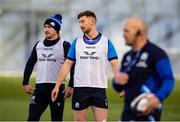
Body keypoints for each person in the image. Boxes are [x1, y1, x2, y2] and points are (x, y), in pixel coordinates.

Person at [51, 10, 121, 121]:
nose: (81, 25)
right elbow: (67, 64)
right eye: (79, 22)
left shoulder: (106, 42)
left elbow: (115, 65)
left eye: (83, 21)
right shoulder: (77, 42)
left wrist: (121, 85)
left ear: (92, 21)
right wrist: (57, 85)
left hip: (99, 89)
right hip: (80, 89)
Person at [113, 17, 175, 121]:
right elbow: (118, 87)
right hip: (127, 115)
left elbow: (168, 79)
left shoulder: (156, 54)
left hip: (147, 115)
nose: (123, 34)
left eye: (126, 31)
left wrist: (158, 97)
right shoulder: (128, 56)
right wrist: (117, 81)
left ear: (139, 32)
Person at [22, 14, 74, 121]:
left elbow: (73, 66)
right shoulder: (38, 45)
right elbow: (30, 63)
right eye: (45, 27)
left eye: (49, 27)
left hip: (57, 89)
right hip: (40, 88)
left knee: (56, 119)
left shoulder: (64, 45)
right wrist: (25, 82)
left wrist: (71, 85)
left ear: (57, 29)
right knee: (32, 118)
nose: (46, 29)